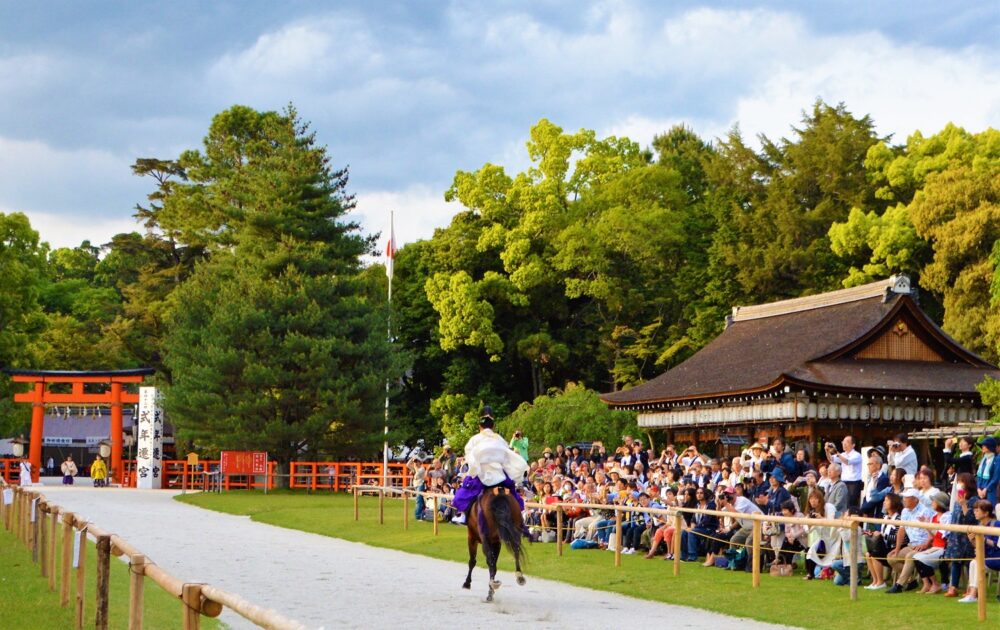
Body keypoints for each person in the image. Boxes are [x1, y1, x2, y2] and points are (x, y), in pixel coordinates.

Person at [452, 407, 529, 515]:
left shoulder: (475, 439)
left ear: (479, 426)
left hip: (481, 475)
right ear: (493, 426)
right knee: (514, 497)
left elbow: (470, 459)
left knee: (462, 496)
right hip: (500, 476)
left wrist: (471, 472)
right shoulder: (499, 439)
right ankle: (518, 521)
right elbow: (506, 458)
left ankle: (463, 515)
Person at [886, 488, 935, 593]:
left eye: (906, 498)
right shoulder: (904, 511)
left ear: (915, 499)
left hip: (924, 545)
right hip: (911, 545)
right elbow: (901, 530)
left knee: (909, 556)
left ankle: (899, 585)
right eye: (904, 497)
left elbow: (932, 531)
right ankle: (910, 581)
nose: (904, 500)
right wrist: (897, 548)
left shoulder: (925, 511)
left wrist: (926, 544)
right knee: (891, 557)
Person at [943, 473, 978, 597]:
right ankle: (953, 587)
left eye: (961, 481)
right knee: (956, 562)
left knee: (968, 563)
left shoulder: (974, 500)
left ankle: (971, 587)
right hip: (956, 537)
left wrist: (964, 504)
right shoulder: (958, 498)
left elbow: (971, 519)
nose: (959, 484)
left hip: (968, 537)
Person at [958, 500, 1000, 603]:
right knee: (973, 562)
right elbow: (978, 547)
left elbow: (996, 544)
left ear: (986, 513)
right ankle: (972, 593)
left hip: (996, 557)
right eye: (974, 510)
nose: (975, 513)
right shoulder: (979, 525)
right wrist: (972, 540)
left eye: (977, 511)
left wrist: (983, 538)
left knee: (976, 563)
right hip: (985, 557)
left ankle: (973, 594)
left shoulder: (997, 524)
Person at [863, 493, 902, 590]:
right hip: (884, 546)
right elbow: (883, 532)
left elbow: (899, 538)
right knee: (868, 554)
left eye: (887, 500)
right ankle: (875, 580)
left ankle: (881, 581)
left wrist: (883, 535)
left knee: (876, 554)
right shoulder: (885, 517)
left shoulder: (898, 519)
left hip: (892, 548)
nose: (884, 502)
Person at [825, 436, 862, 508]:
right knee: (842, 502)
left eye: (847, 442)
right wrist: (827, 451)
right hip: (843, 482)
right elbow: (831, 459)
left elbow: (847, 461)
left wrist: (837, 453)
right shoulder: (843, 454)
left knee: (851, 503)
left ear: (853, 445)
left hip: (853, 483)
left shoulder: (857, 455)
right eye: (843, 442)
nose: (844, 444)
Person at [975, 437, 1000, 505]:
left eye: (984, 445)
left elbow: (996, 478)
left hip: (991, 491)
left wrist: (986, 489)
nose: (982, 447)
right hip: (980, 491)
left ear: (990, 447)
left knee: (991, 510)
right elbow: (979, 476)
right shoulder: (984, 459)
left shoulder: (997, 459)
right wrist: (978, 488)